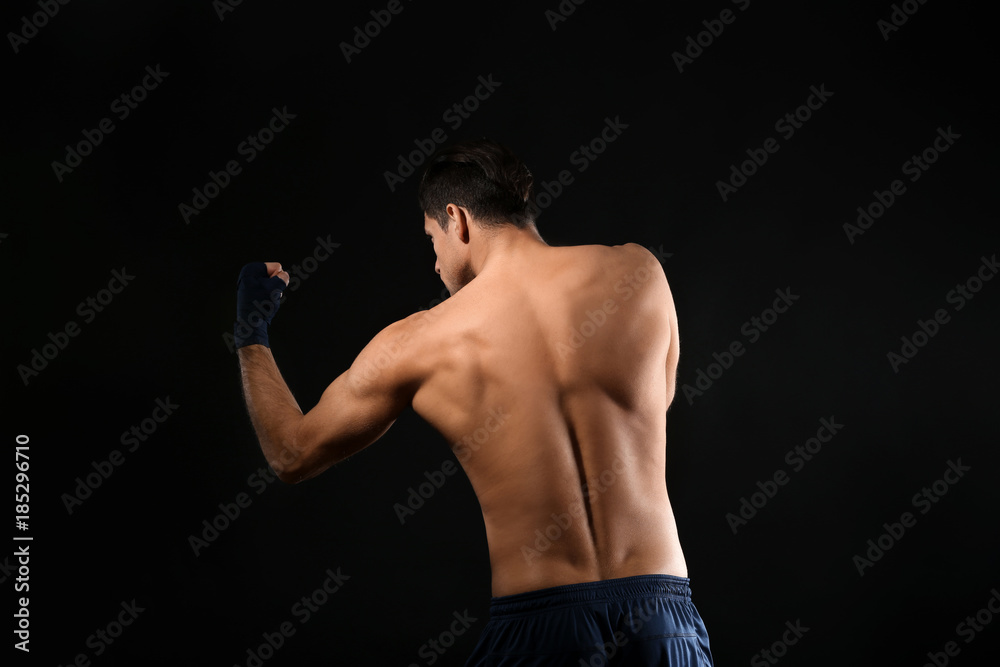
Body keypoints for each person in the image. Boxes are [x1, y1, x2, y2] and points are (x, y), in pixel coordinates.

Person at [234, 138, 713, 665]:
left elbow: (292, 454)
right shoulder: (638, 273)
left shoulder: (417, 341)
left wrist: (251, 331)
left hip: (541, 628)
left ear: (457, 220)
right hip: (664, 623)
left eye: (431, 240)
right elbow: (654, 410)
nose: (434, 264)